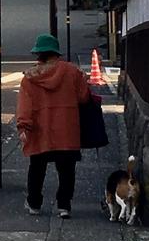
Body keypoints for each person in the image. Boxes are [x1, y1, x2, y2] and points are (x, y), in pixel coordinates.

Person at [14, 32, 94, 217]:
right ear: (56, 52)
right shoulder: (72, 72)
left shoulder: (30, 78)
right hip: (67, 128)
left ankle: (34, 204)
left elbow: (25, 107)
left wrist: (23, 126)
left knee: (37, 167)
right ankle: (64, 206)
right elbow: (83, 98)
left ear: (39, 54)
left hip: (41, 131)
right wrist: (84, 80)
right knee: (66, 169)